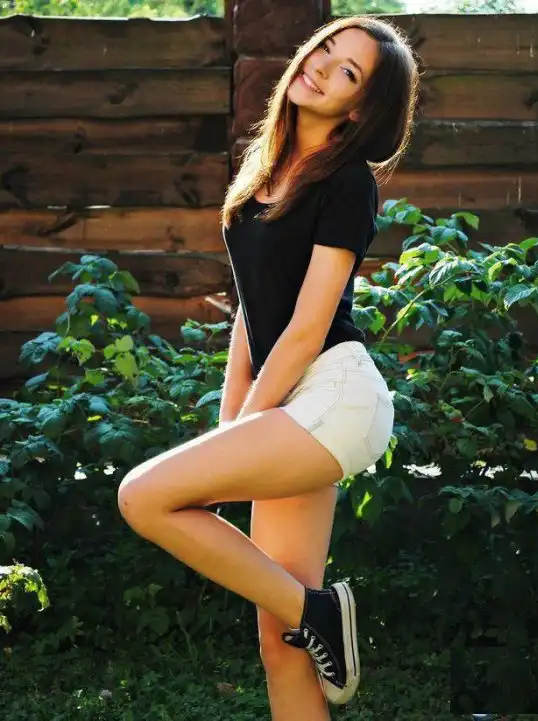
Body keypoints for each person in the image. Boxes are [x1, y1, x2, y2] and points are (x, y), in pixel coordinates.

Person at [118, 14, 418, 720]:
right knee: (280, 643)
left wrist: (247, 426)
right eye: (326, 49)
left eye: (348, 72)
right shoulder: (264, 173)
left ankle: (320, 611)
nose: (321, 66)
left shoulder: (347, 183)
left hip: (334, 395)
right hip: (289, 400)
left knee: (141, 495)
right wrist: (231, 427)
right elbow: (251, 318)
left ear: (359, 109)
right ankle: (311, 616)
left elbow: (307, 328)